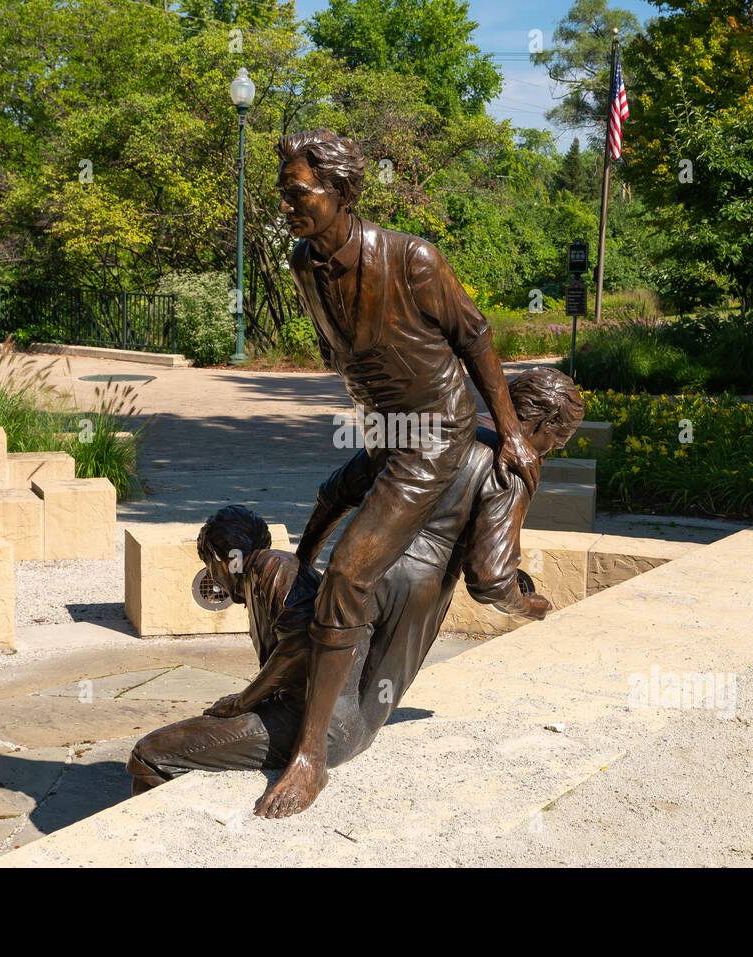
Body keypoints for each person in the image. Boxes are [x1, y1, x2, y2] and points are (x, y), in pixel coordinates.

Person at [127, 368, 585, 816]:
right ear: (543, 425)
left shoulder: (426, 432)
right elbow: (490, 580)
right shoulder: (511, 464)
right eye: (555, 442)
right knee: (152, 753)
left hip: (352, 604)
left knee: (149, 753)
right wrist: (533, 606)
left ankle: (297, 743)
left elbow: (333, 495)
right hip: (344, 722)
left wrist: (304, 566)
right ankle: (305, 752)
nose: (548, 451)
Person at [268, 128, 538, 814]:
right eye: (283, 194)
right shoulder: (303, 263)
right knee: (327, 525)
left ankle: (310, 755)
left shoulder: (412, 257)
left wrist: (509, 430)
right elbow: (338, 353)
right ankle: (282, 680)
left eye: (298, 193)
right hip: (383, 430)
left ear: (342, 192)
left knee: (353, 566)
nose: (287, 206)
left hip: (433, 433)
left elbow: (474, 335)